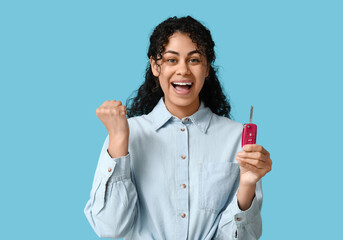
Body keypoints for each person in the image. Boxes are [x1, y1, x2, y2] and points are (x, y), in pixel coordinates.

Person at [84, 16, 272, 240]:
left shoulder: (237, 139)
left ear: (207, 68)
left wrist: (248, 185)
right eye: (172, 60)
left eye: (194, 60)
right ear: (156, 66)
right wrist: (117, 140)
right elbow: (110, 228)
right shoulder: (125, 134)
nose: (183, 70)